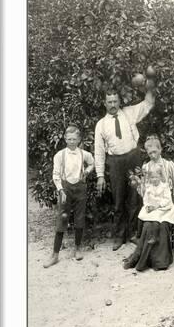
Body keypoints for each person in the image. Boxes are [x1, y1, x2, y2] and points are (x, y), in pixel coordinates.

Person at [95, 87, 155, 251]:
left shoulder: (129, 112)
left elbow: (148, 104)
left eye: (115, 101)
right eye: (110, 102)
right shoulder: (101, 125)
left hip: (133, 157)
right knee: (118, 199)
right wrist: (100, 175)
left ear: (120, 101)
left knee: (135, 197)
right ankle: (119, 236)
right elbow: (99, 151)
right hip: (115, 162)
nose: (113, 104)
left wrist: (150, 82)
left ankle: (133, 234)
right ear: (105, 103)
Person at [123, 135, 174, 271]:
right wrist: (137, 184)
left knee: (161, 225)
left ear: (160, 150)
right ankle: (141, 259)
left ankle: (160, 261)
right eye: (150, 153)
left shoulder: (169, 165)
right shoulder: (146, 167)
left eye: (155, 152)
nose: (152, 155)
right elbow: (145, 192)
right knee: (148, 225)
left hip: (166, 204)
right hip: (152, 205)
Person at [43, 124, 95, 268]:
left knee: (79, 217)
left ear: (79, 139)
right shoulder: (60, 155)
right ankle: (55, 254)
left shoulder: (84, 153)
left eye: (74, 139)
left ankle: (78, 248)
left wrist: (87, 172)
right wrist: (61, 190)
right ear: (65, 139)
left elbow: (92, 163)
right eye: (69, 139)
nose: (72, 141)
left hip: (80, 188)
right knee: (62, 218)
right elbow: (56, 175)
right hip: (65, 189)